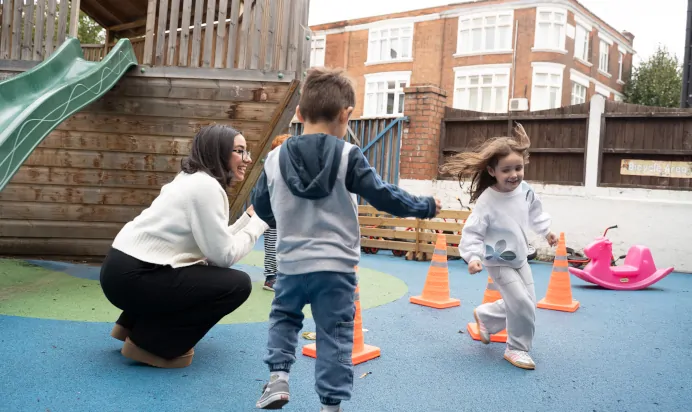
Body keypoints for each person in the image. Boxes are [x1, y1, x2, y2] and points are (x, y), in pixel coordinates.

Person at [251, 67, 442, 412]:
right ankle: (330, 406)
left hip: (291, 265)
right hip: (336, 269)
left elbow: (263, 207)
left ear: (298, 113)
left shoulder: (274, 159)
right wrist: (424, 206)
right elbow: (384, 196)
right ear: (346, 114)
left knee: (284, 317)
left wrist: (287, 217)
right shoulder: (348, 156)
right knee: (335, 335)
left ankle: (279, 377)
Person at [99, 124, 269, 369]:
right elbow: (224, 256)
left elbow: (213, 244)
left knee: (196, 272)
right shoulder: (207, 188)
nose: (248, 158)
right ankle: (151, 344)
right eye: (240, 151)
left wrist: (249, 218)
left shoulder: (192, 179)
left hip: (121, 271)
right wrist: (260, 224)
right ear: (218, 152)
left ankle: (131, 325)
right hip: (135, 278)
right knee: (235, 285)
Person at [441, 123, 558, 371]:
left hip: (520, 259)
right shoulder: (487, 201)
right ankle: (516, 348)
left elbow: (536, 213)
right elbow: (473, 231)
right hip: (497, 260)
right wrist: (473, 257)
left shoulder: (526, 192)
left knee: (526, 302)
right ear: (492, 171)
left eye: (518, 168)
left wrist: (546, 232)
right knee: (522, 304)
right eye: (506, 170)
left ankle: (486, 317)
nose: (514, 174)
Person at [261, 133, 291, 292]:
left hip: (289, 217)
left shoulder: (294, 171)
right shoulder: (269, 171)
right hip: (273, 217)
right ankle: (271, 277)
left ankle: (286, 274)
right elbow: (262, 194)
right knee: (272, 246)